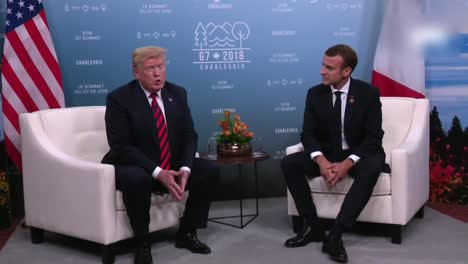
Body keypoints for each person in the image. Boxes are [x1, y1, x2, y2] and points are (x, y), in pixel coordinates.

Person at [102, 46, 219, 264]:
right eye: (150, 69)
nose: (157, 73)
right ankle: (142, 243)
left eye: (160, 67)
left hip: (170, 163)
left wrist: (185, 169)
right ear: (137, 73)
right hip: (133, 164)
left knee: (208, 170)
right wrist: (158, 172)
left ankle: (187, 232)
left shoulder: (177, 93)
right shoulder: (119, 99)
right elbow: (121, 146)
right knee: (137, 179)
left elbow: (189, 135)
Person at [281, 44, 385, 263]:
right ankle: (313, 227)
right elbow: (307, 134)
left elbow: (373, 137)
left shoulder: (368, 94)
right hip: (328, 154)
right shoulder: (315, 94)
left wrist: (347, 163)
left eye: (329, 67)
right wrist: (321, 161)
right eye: (323, 65)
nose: (322, 71)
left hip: (359, 154)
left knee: (372, 167)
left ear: (346, 71)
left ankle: (336, 233)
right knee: (290, 163)